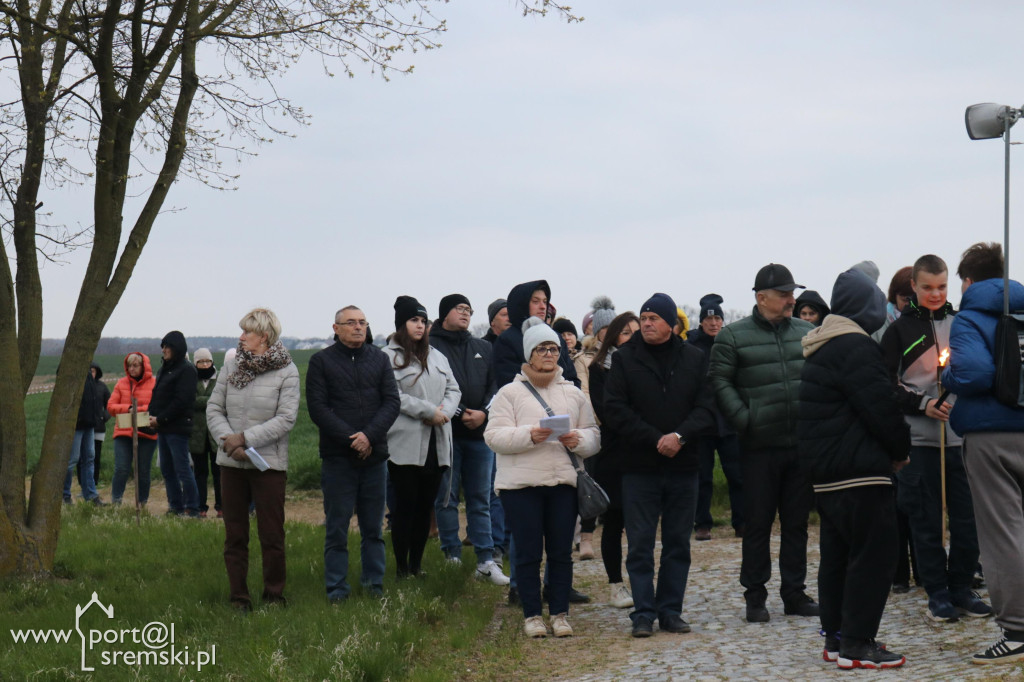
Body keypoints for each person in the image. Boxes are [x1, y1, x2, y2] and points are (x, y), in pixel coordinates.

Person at [799, 269, 911, 670]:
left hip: (828, 473)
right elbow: (880, 407)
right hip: (860, 470)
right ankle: (858, 643)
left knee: (838, 556)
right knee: (875, 554)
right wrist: (899, 450)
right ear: (866, 306)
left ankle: (836, 637)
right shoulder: (855, 346)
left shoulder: (822, 345)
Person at [880, 254, 991, 622]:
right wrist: (922, 403)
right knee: (925, 519)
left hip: (962, 438)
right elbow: (884, 385)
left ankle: (961, 586)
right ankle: (938, 594)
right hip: (920, 440)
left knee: (967, 519)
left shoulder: (963, 324)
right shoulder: (897, 331)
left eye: (942, 286)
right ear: (913, 286)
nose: (935, 293)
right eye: (927, 287)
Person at [708, 263, 819, 623]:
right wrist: (746, 420)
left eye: (792, 293)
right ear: (761, 298)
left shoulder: (807, 332)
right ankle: (755, 596)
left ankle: (795, 594)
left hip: (800, 444)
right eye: (784, 294)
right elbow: (719, 382)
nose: (792, 299)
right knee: (757, 524)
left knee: (797, 523)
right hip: (757, 448)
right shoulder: (733, 336)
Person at [604, 293, 716, 637]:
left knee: (677, 543)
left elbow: (708, 407)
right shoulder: (624, 358)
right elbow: (615, 409)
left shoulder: (695, 358)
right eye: (644, 317)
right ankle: (643, 613)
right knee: (639, 544)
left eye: (654, 317)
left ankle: (670, 610)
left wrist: (679, 436)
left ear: (672, 323)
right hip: (639, 467)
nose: (647, 323)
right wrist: (657, 438)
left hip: (684, 466)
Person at [485, 319, 600, 638]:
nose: (549, 354)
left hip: (563, 482)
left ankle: (560, 614)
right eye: (542, 348)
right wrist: (530, 435)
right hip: (521, 487)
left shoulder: (573, 393)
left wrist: (579, 440)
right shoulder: (509, 393)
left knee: (562, 551)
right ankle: (532, 615)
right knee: (528, 552)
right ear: (529, 354)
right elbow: (493, 436)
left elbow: (594, 435)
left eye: (554, 348)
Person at [942, 242, 1024, 664]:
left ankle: (1017, 631)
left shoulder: (969, 319)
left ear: (968, 281)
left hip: (991, 435)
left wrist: (947, 372)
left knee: (1002, 532)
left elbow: (973, 372)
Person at [207, 308, 300, 611]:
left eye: (246, 332)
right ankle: (239, 597)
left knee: (271, 534)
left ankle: (274, 595)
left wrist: (245, 439)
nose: (241, 337)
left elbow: (286, 419)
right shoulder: (231, 366)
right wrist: (229, 442)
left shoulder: (287, 371)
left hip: (268, 465)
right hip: (232, 464)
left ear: (264, 336)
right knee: (235, 534)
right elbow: (214, 409)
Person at [307, 305, 400, 601]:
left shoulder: (380, 359)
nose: (358, 327)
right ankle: (336, 589)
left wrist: (369, 436)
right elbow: (319, 408)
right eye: (351, 323)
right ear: (336, 328)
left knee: (373, 528)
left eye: (362, 322)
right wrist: (352, 439)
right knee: (337, 528)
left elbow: (392, 403)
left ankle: (374, 586)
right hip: (338, 459)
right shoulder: (321, 362)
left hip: (374, 457)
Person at [429, 294, 508, 585]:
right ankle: (452, 556)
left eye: (469, 310)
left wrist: (484, 414)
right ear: (444, 313)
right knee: (447, 497)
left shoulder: (483, 347)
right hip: (446, 434)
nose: (465, 313)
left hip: (480, 436)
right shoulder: (431, 347)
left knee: (481, 499)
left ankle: (486, 561)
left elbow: (495, 385)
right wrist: (461, 412)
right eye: (459, 308)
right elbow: (435, 387)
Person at [383, 295, 461, 578]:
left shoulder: (437, 356)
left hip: (437, 443)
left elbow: (454, 389)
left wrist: (446, 412)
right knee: (404, 508)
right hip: (405, 444)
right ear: (402, 324)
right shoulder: (387, 356)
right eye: (414, 320)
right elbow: (393, 395)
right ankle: (401, 568)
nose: (420, 326)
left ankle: (417, 565)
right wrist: (428, 411)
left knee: (425, 507)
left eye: (423, 321)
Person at [587, 311, 640, 608]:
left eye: (636, 332)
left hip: (642, 451)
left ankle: (641, 579)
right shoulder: (599, 369)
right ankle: (615, 584)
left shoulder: (646, 364)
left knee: (641, 523)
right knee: (615, 521)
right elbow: (609, 411)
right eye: (626, 333)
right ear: (614, 337)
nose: (632, 338)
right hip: (615, 453)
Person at [687, 294, 744, 541]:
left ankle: (742, 522)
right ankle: (702, 523)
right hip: (702, 423)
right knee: (703, 477)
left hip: (729, 420)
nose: (713, 323)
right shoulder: (691, 347)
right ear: (701, 322)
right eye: (709, 319)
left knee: (737, 475)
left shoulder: (731, 343)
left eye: (718, 318)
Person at [573, 295, 616, 560]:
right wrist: (602, 421)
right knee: (591, 482)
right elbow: (585, 393)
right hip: (598, 427)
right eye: (605, 328)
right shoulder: (585, 359)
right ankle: (586, 538)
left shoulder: (627, 356)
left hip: (623, 431)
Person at [149, 330, 200, 517]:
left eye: (167, 346)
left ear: (176, 347)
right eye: (162, 346)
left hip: (177, 428)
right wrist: (150, 416)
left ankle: (192, 508)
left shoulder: (187, 370)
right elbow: (157, 396)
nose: (163, 350)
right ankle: (175, 506)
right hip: (163, 427)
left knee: (182, 469)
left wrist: (160, 419)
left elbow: (182, 401)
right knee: (167, 470)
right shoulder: (164, 368)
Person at [493, 280, 579, 389]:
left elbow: (572, 378)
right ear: (521, 304)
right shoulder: (506, 341)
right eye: (535, 301)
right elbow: (509, 385)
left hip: (563, 403)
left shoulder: (556, 337)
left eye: (545, 301)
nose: (543, 307)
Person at [108, 352, 158, 506]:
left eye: (135, 365)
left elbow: (156, 406)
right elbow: (110, 407)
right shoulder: (121, 383)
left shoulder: (155, 383)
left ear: (144, 366)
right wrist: (128, 408)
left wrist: (138, 409)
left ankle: (142, 503)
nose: (132, 369)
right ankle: (116, 501)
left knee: (143, 471)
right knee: (121, 468)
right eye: (129, 366)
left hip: (146, 432)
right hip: (123, 432)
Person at [63, 369, 105, 505]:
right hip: (76, 424)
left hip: (89, 424)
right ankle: (65, 495)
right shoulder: (70, 368)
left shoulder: (88, 373)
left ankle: (91, 495)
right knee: (71, 460)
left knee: (89, 459)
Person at [191, 348, 222, 518]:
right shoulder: (190, 380)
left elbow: (221, 400)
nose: (205, 365)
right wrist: (210, 401)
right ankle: (200, 506)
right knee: (200, 473)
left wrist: (201, 402)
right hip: (197, 435)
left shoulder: (219, 379)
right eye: (201, 362)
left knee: (219, 473)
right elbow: (189, 401)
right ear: (195, 363)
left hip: (215, 433)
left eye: (207, 361)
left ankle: (221, 506)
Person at [84, 363, 111, 485]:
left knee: (96, 457)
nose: (91, 373)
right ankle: (84, 483)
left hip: (99, 428)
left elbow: (110, 405)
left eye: (93, 371)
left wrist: (103, 417)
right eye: (89, 371)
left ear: (97, 372)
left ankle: (95, 482)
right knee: (83, 458)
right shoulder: (81, 386)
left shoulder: (102, 387)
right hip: (83, 427)